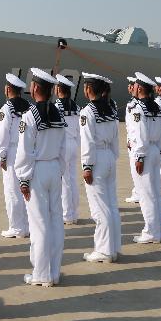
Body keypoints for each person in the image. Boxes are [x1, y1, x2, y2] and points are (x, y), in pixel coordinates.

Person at [16, 68, 67, 286]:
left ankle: (41, 273)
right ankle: (54, 271)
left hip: (37, 170)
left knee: (39, 224)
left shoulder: (28, 116)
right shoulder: (58, 113)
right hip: (54, 168)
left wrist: (24, 179)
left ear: (35, 88)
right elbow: (64, 147)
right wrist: (60, 170)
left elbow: (24, 151)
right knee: (56, 221)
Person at [79, 72, 121, 262]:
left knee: (99, 208)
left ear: (88, 89)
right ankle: (113, 247)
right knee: (111, 205)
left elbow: (87, 141)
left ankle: (103, 251)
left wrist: (87, 166)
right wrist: (113, 156)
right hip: (109, 156)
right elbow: (115, 137)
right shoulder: (111, 110)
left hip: (96, 158)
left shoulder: (88, 112)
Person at [127, 72, 161, 243]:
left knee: (146, 194)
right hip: (154, 150)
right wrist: (159, 149)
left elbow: (141, 134)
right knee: (155, 192)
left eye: (135, 85)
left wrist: (140, 156)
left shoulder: (138, 108)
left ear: (140, 88)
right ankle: (159, 231)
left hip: (143, 151)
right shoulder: (156, 107)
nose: (133, 87)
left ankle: (150, 231)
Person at [0, 73, 30, 239]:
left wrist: (1, 155)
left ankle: (17, 227)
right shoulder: (29, 106)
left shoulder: (7, 108)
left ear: (8, 89)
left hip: (12, 151)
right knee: (26, 188)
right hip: (27, 149)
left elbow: (3, 133)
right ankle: (28, 225)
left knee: (12, 190)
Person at [54, 73, 81, 225]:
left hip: (63, 145)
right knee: (72, 179)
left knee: (64, 181)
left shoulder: (56, 106)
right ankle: (74, 212)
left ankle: (66, 214)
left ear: (59, 89)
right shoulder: (76, 107)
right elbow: (78, 129)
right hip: (74, 143)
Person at [123, 76, 140, 205]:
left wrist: (130, 140)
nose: (129, 88)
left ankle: (138, 193)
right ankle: (138, 191)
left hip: (135, 142)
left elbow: (133, 127)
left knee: (136, 171)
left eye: (131, 85)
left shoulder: (133, 105)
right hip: (136, 141)